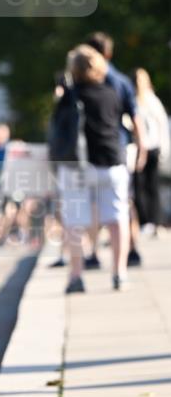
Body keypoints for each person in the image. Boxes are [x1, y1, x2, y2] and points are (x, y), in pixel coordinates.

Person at [56, 44, 139, 293]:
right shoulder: (112, 92)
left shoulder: (69, 96)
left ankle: (76, 275)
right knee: (117, 219)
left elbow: (59, 131)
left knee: (74, 223)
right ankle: (119, 272)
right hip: (111, 162)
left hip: (77, 167)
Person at [84, 32, 146, 267]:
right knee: (124, 202)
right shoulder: (121, 81)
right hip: (119, 147)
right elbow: (135, 117)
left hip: (91, 152)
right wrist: (142, 147)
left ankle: (93, 253)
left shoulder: (81, 83)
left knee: (93, 204)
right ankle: (131, 249)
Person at [132, 68, 169, 235]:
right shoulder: (132, 100)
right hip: (137, 148)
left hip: (152, 148)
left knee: (152, 186)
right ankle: (143, 221)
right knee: (138, 186)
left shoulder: (152, 100)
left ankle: (155, 221)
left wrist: (164, 148)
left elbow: (162, 126)